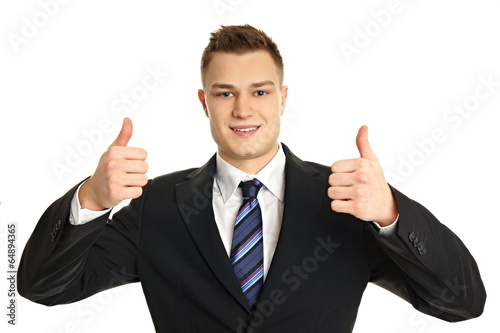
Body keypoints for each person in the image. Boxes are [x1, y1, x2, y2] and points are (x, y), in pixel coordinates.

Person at [18, 24, 486, 333]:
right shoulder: (156, 206)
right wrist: (92, 199)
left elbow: (462, 302)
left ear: (282, 98)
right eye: (225, 93)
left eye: (259, 91)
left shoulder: (345, 203)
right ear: (204, 102)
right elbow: (42, 288)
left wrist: (390, 213)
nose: (243, 110)